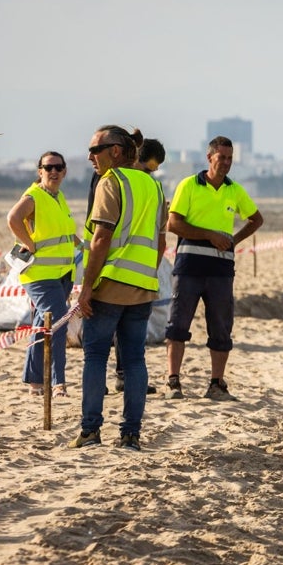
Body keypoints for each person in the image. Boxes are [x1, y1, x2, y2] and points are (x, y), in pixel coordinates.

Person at [76, 125, 167, 451]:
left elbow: (101, 239)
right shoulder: (154, 187)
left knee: (96, 356)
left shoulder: (111, 181)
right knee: (134, 360)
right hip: (142, 287)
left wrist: (87, 286)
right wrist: (145, 273)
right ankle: (131, 434)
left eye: (95, 150)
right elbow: (161, 241)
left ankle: (90, 431)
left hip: (110, 286)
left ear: (116, 151)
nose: (90, 157)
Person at [164, 136, 263, 401]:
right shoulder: (188, 185)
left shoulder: (235, 190)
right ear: (209, 158)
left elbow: (256, 219)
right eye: (222, 158)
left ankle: (217, 384)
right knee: (178, 324)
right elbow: (173, 224)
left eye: (230, 158)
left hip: (221, 271)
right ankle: (173, 382)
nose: (227, 163)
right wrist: (209, 234)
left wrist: (233, 241)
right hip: (189, 267)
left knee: (221, 327)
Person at [6, 151, 77, 398]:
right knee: (58, 323)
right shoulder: (34, 196)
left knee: (42, 323)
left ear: (65, 171)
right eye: (48, 168)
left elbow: (64, 232)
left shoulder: (59, 197)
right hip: (39, 275)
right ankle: (57, 382)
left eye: (58, 167)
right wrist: (29, 243)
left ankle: (34, 381)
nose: (53, 172)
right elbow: (13, 218)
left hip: (63, 274)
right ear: (40, 172)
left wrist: (81, 243)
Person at [114, 134, 167, 395]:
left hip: (136, 276)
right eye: (149, 168)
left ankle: (125, 378)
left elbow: (160, 237)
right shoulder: (115, 182)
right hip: (117, 274)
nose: (151, 175)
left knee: (130, 341)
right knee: (109, 338)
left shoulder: (144, 186)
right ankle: (121, 378)